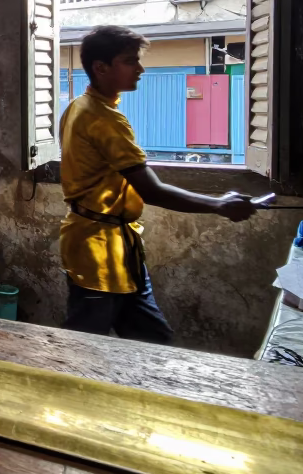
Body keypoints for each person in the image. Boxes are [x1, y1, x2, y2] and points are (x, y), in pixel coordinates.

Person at [59, 25, 256, 343]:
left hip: (116, 249)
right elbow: (151, 190)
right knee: (82, 346)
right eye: (129, 61)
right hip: (98, 253)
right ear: (101, 67)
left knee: (153, 343)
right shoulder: (104, 120)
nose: (140, 69)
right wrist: (220, 205)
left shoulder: (77, 108)